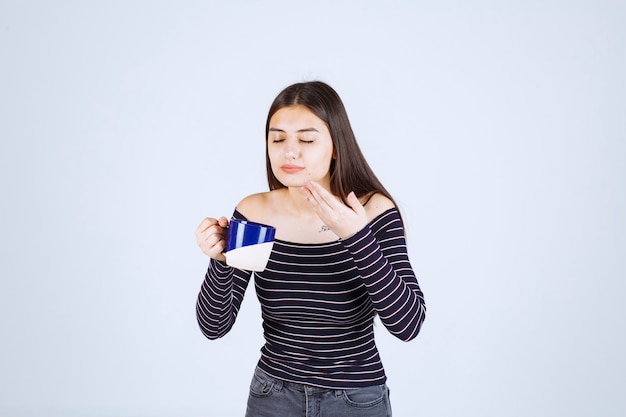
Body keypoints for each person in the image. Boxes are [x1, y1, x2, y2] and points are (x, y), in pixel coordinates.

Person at [195, 81, 426, 417]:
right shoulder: (256, 214)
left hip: (355, 399)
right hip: (272, 396)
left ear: (336, 146)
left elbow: (408, 324)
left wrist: (357, 237)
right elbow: (214, 326)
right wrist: (220, 262)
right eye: (278, 139)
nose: (290, 151)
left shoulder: (373, 211)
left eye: (306, 139)